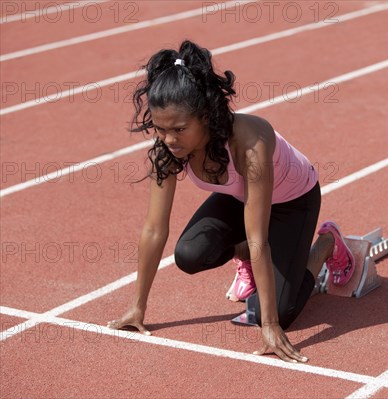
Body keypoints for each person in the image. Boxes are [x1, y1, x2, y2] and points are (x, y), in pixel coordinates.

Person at [107, 40, 355, 363]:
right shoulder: (168, 148)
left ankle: (326, 244)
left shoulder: (250, 145)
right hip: (240, 199)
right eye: (160, 128)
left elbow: (257, 238)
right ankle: (247, 262)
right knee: (189, 254)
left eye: (179, 129)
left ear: (206, 116)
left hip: (294, 200)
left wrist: (270, 326)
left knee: (281, 310)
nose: (169, 139)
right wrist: (137, 307)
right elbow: (154, 229)